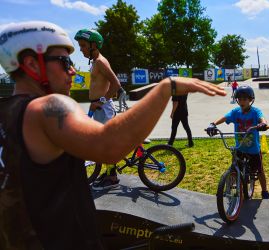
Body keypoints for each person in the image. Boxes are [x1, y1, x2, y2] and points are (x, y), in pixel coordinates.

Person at [0, 21, 226, 249]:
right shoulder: (48, 108)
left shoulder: (7, 111)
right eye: (64, 61)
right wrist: (166, 88)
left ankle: (113, 173)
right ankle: (112, 172)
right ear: (31, 64)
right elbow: (107, 146)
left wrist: (103, 100)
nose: (72, 69)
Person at [74, 28, 122, 190]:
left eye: (83, 46)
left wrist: (100, 101)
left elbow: (116, 85)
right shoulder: (95, 62)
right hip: (99, 107)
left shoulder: (101, 62)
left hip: (104, 107)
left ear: (94, 44)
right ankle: (109, 173)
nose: (81, 49)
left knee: (107, 143)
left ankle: (113, 177)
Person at [206, 85, 269, 199]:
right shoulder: (235, 112)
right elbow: (225, 117)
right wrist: (213, 124)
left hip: (253, 149)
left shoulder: (255, 112)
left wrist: (262, 124)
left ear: (251, 100)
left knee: (259, 170)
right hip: (240, 147)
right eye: (239, 99)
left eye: (245, 99)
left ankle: (265, 192)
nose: (242, 101)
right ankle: (227, 188)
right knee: (234, 167)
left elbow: (262, 118)